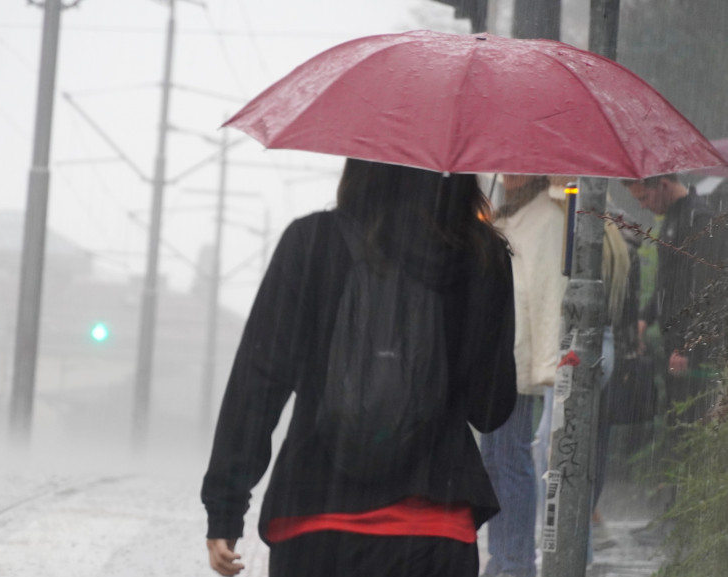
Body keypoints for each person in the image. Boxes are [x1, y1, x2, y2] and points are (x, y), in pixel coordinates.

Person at [202, 158, 517, 577]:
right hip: (433, 528)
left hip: (316, 522)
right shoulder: (480, 253)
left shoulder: (311, 241)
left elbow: (259, 379)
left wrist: (226, 507)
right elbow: (490, 409)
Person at [622, 174, 721, 543]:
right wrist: (647, 314)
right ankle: (671, 515)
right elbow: (669, 280)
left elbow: (701, 287)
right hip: (672, 342)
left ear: (663, 183)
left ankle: (683, 522)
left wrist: (687, 345)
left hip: (692, 351)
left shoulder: (698, 218)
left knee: (688, 430)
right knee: (675, 427)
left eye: (645, 197)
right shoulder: (673, 219)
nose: (644, 205)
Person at [480, 174, 566, 577]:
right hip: (497, 355)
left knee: (510, 459)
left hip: (517, 356)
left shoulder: (547, 216)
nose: (509, 172)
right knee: (496, 461)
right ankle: (503, 557)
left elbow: (550, 292)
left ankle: (514, 562)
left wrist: (547, 364)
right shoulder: (508, 217)